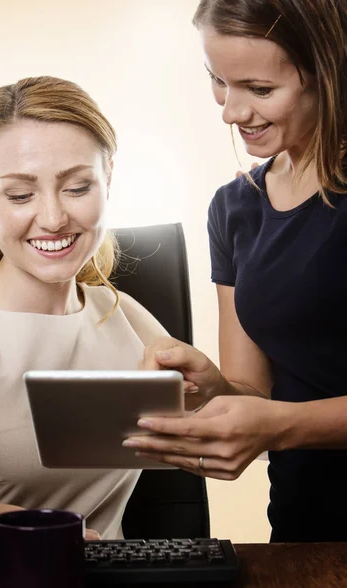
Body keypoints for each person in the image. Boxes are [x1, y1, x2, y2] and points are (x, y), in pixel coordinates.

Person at [123, 0, 347, 543]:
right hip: (306, 523)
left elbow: (274, 419)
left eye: (260, 89)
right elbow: (252, 391)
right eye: (218, 81)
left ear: (331, 73)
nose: (229, 110)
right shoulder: (235, 208)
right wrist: (208, 385)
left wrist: (281, 426)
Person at [0, 75, 168, 544]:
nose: (52, 218)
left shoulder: (123, 315)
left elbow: (239, 432)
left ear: (108, 178)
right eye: (21, 194)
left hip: (115, 587)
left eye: (77, 187)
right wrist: (31, 529)